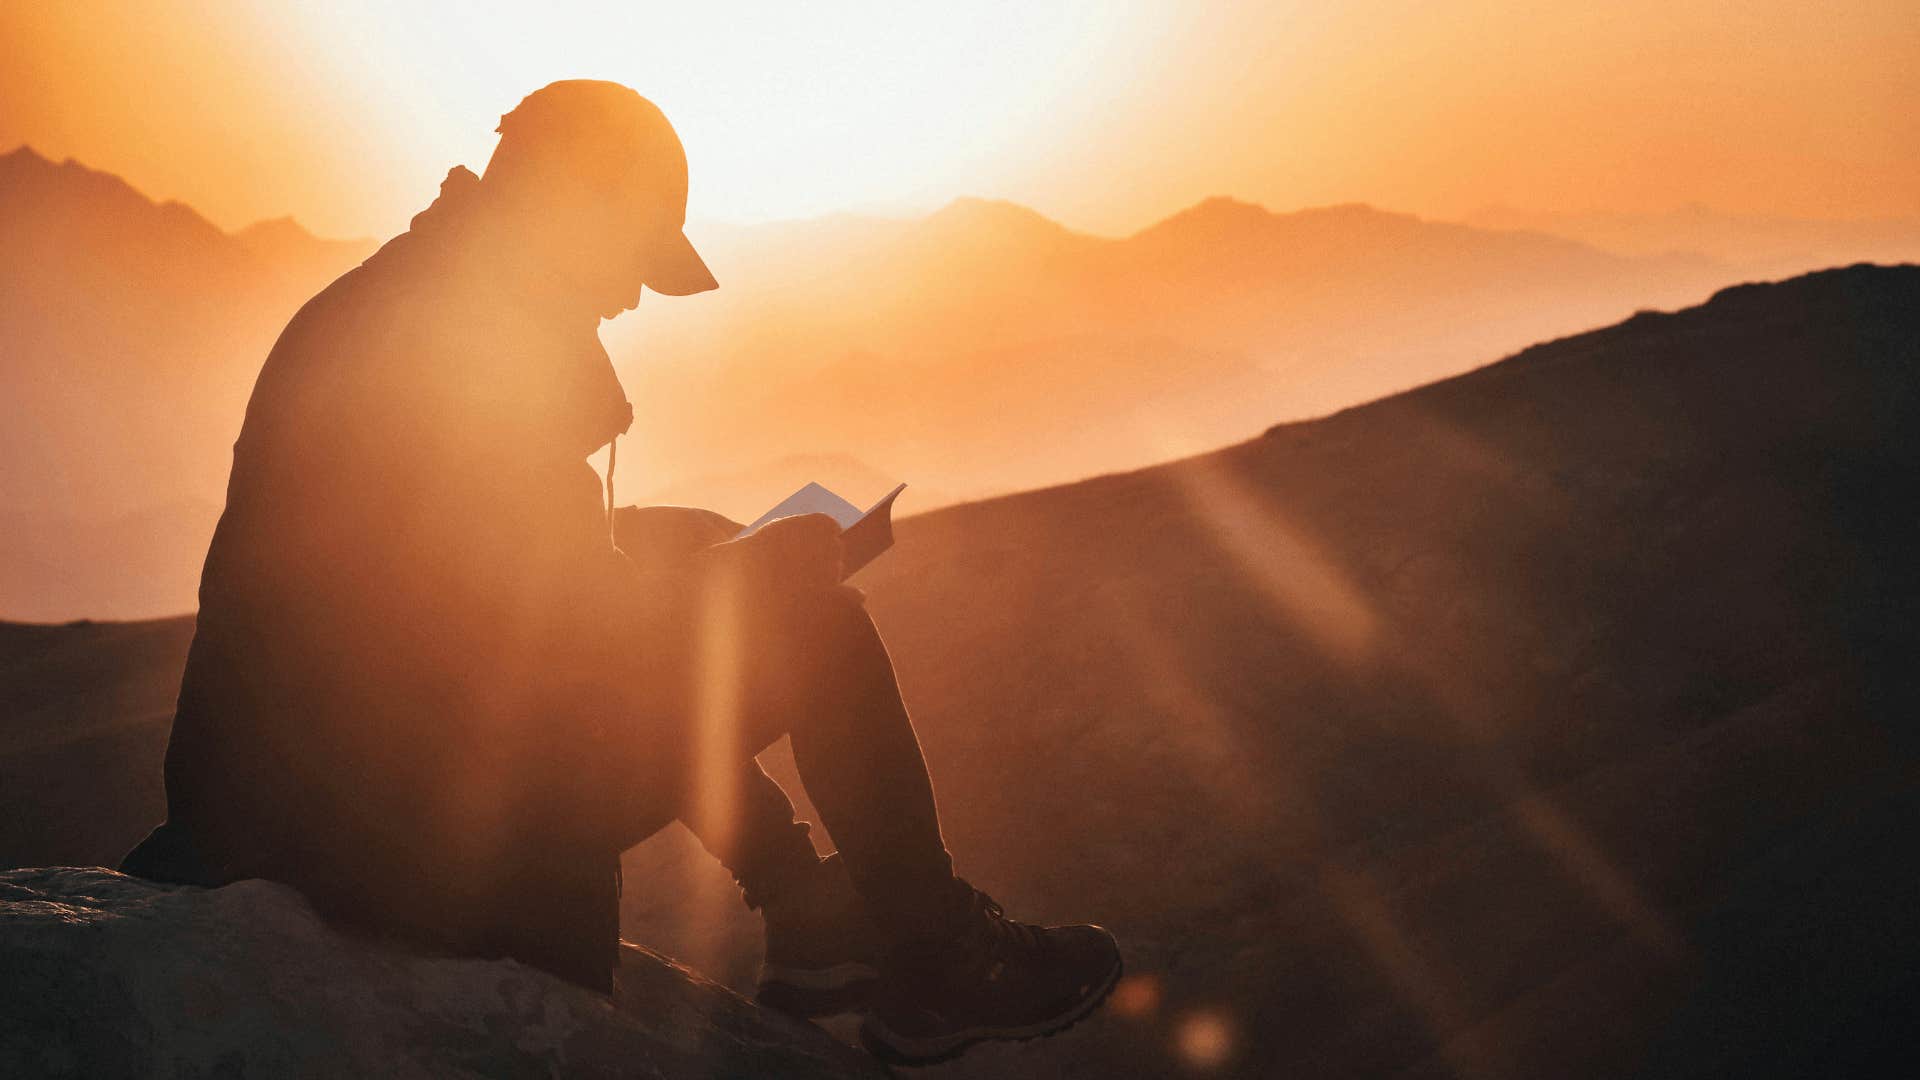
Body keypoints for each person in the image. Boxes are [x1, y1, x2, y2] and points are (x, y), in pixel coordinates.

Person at [121, 79, 1119, 1063]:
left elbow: (488, 593)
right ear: (569, 212)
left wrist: (711, 569)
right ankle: (933, 957)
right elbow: (547, 641)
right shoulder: (468, 348)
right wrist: (744, 584)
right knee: (816, 624)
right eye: (632, 255)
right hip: (378, 836)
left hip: (297, 792)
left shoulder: (419, 296)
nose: (636, 291)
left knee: (688, 548)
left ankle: (812, 916)